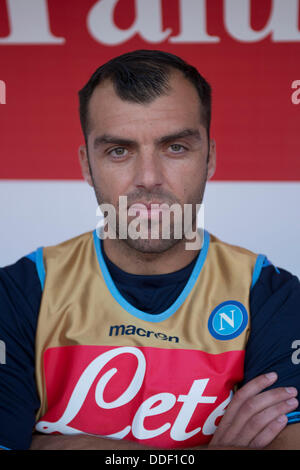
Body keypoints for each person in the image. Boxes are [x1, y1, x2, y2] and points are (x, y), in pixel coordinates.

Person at [0, 49, 300, 451]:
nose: (148, 178)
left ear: (209, 157)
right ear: (87, 166)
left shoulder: (273, 297)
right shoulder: (17, 294)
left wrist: (58, 444)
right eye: (118, 151)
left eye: (175, 147)